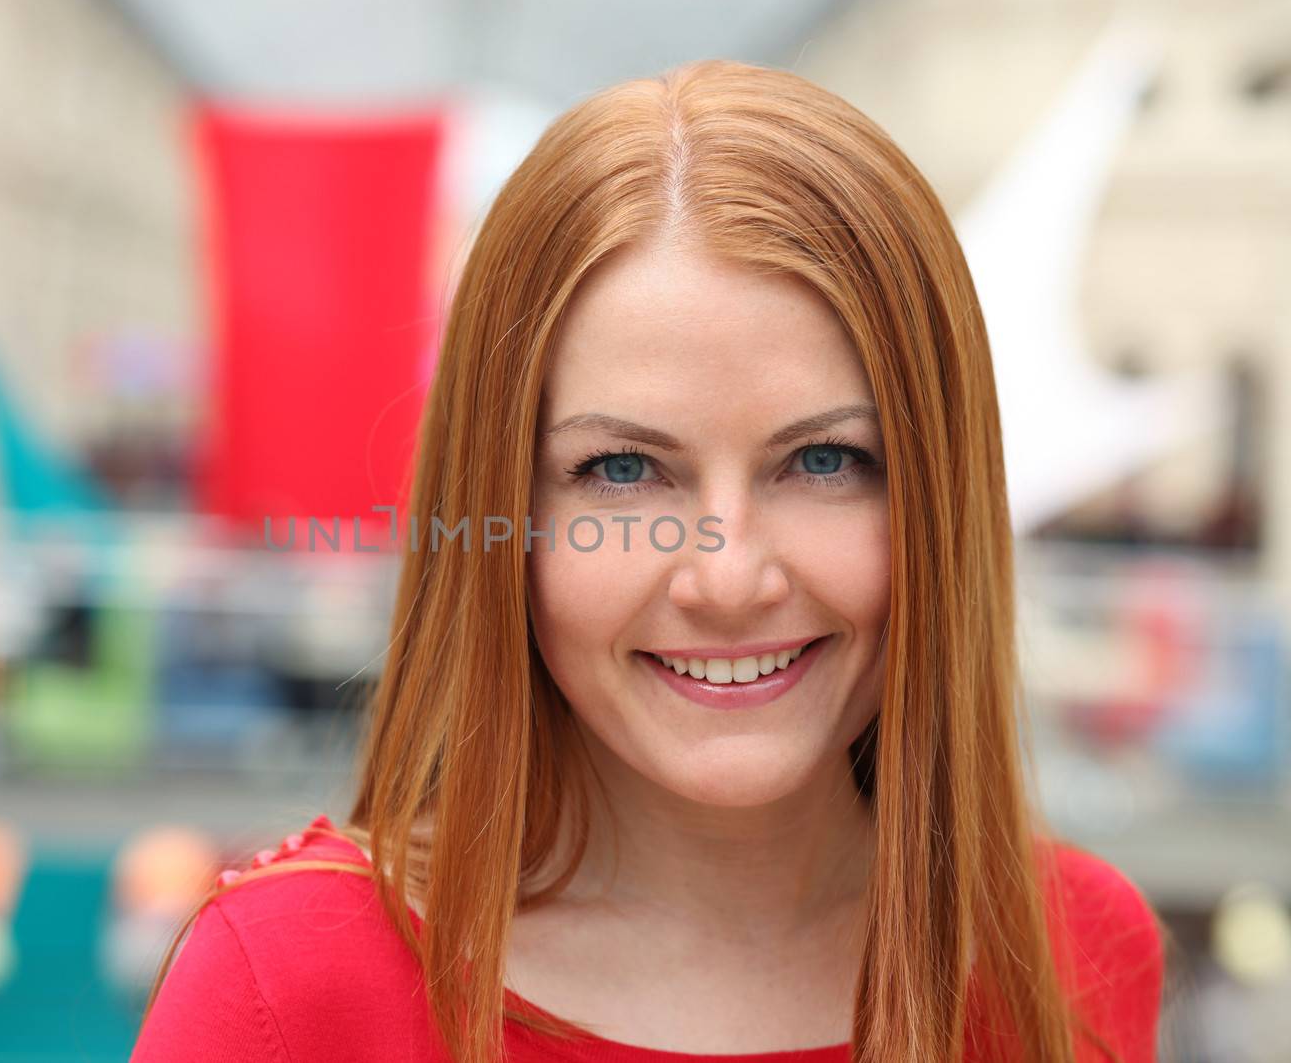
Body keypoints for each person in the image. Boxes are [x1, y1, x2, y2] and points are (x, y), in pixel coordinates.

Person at [130, 59, 1167, 1063]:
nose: (724, 576)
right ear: (503, 514)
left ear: (943, 494)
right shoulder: (287, 982)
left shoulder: (1076, 946)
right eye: (622, 468)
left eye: (824, 459)